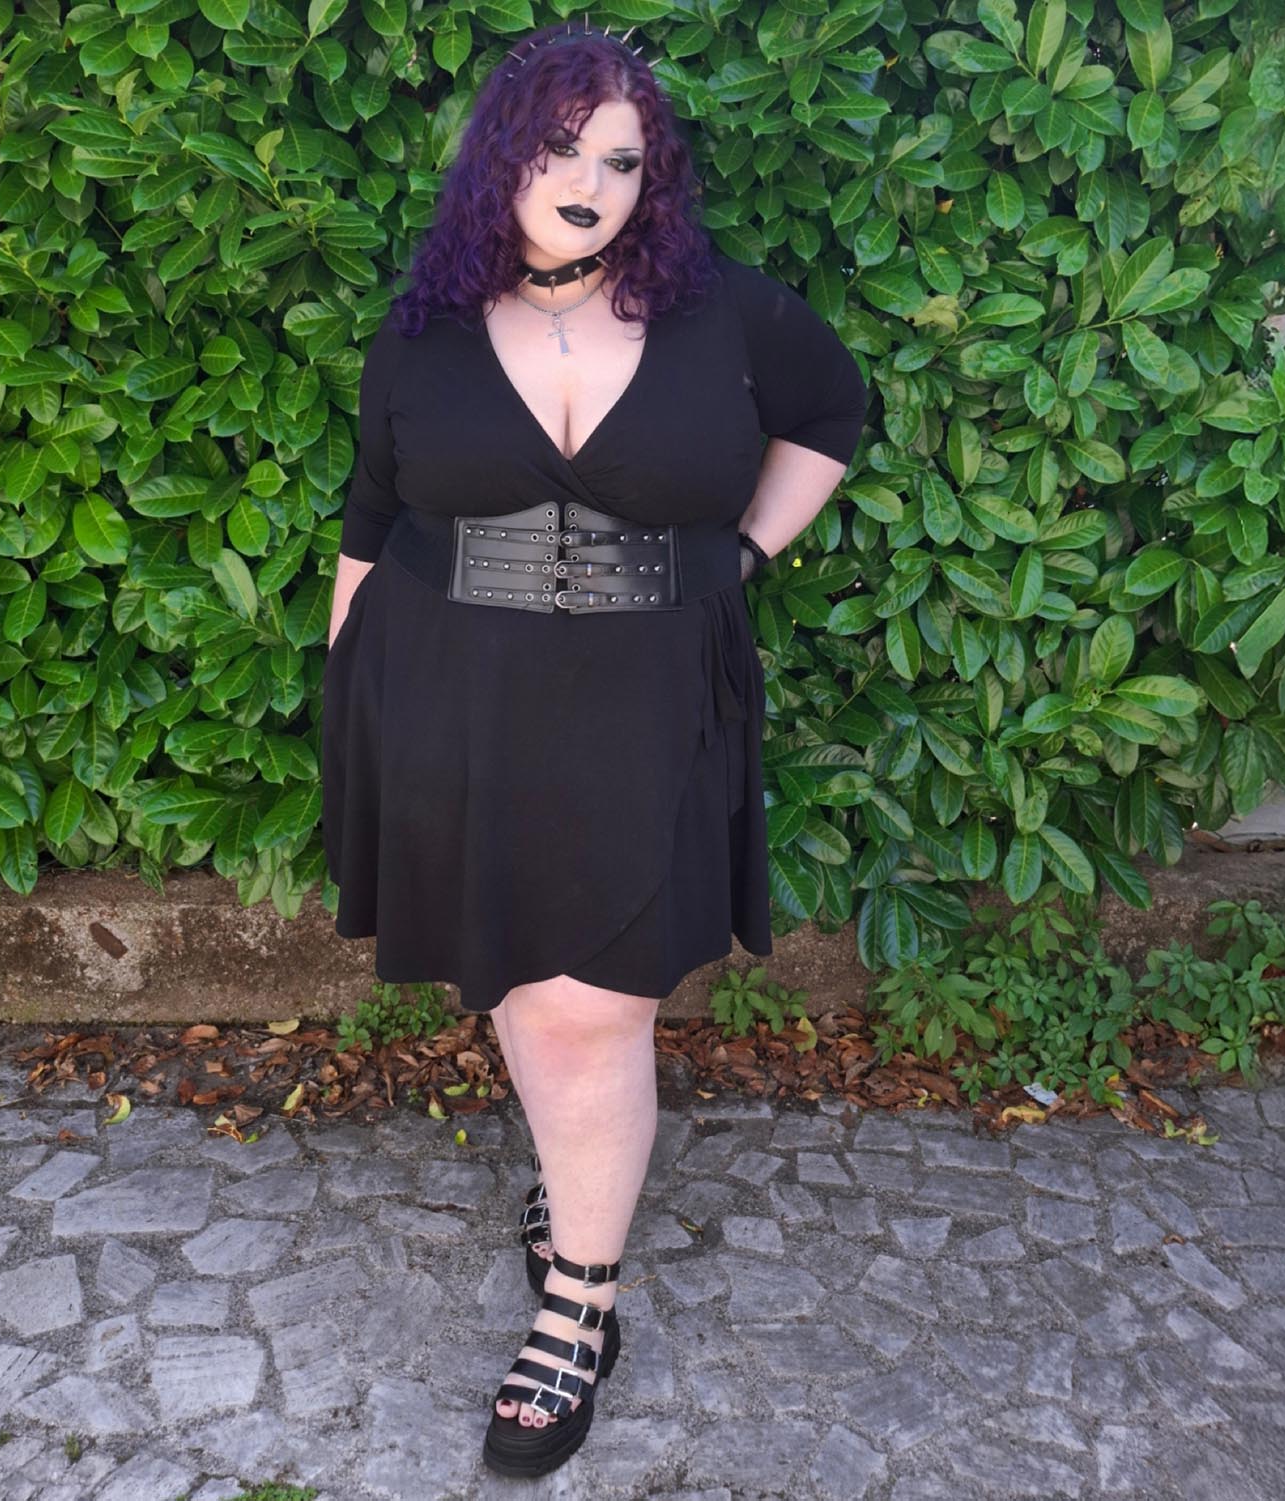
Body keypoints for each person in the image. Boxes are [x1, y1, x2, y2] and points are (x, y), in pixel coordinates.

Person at [318, 17, 867, 1480]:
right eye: (561, 150)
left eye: (622, 161)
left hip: (645, 695)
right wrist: (353, 700)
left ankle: (579, 1307)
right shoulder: (424, 327)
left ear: (653, 180)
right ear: (502, 158)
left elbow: (834, 408)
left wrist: (744, 551)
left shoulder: (723, 313)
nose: (589, 183)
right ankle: (578, 1205)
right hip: (453, 693)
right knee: (520, 976)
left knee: (592, 1006)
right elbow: (373, 511)